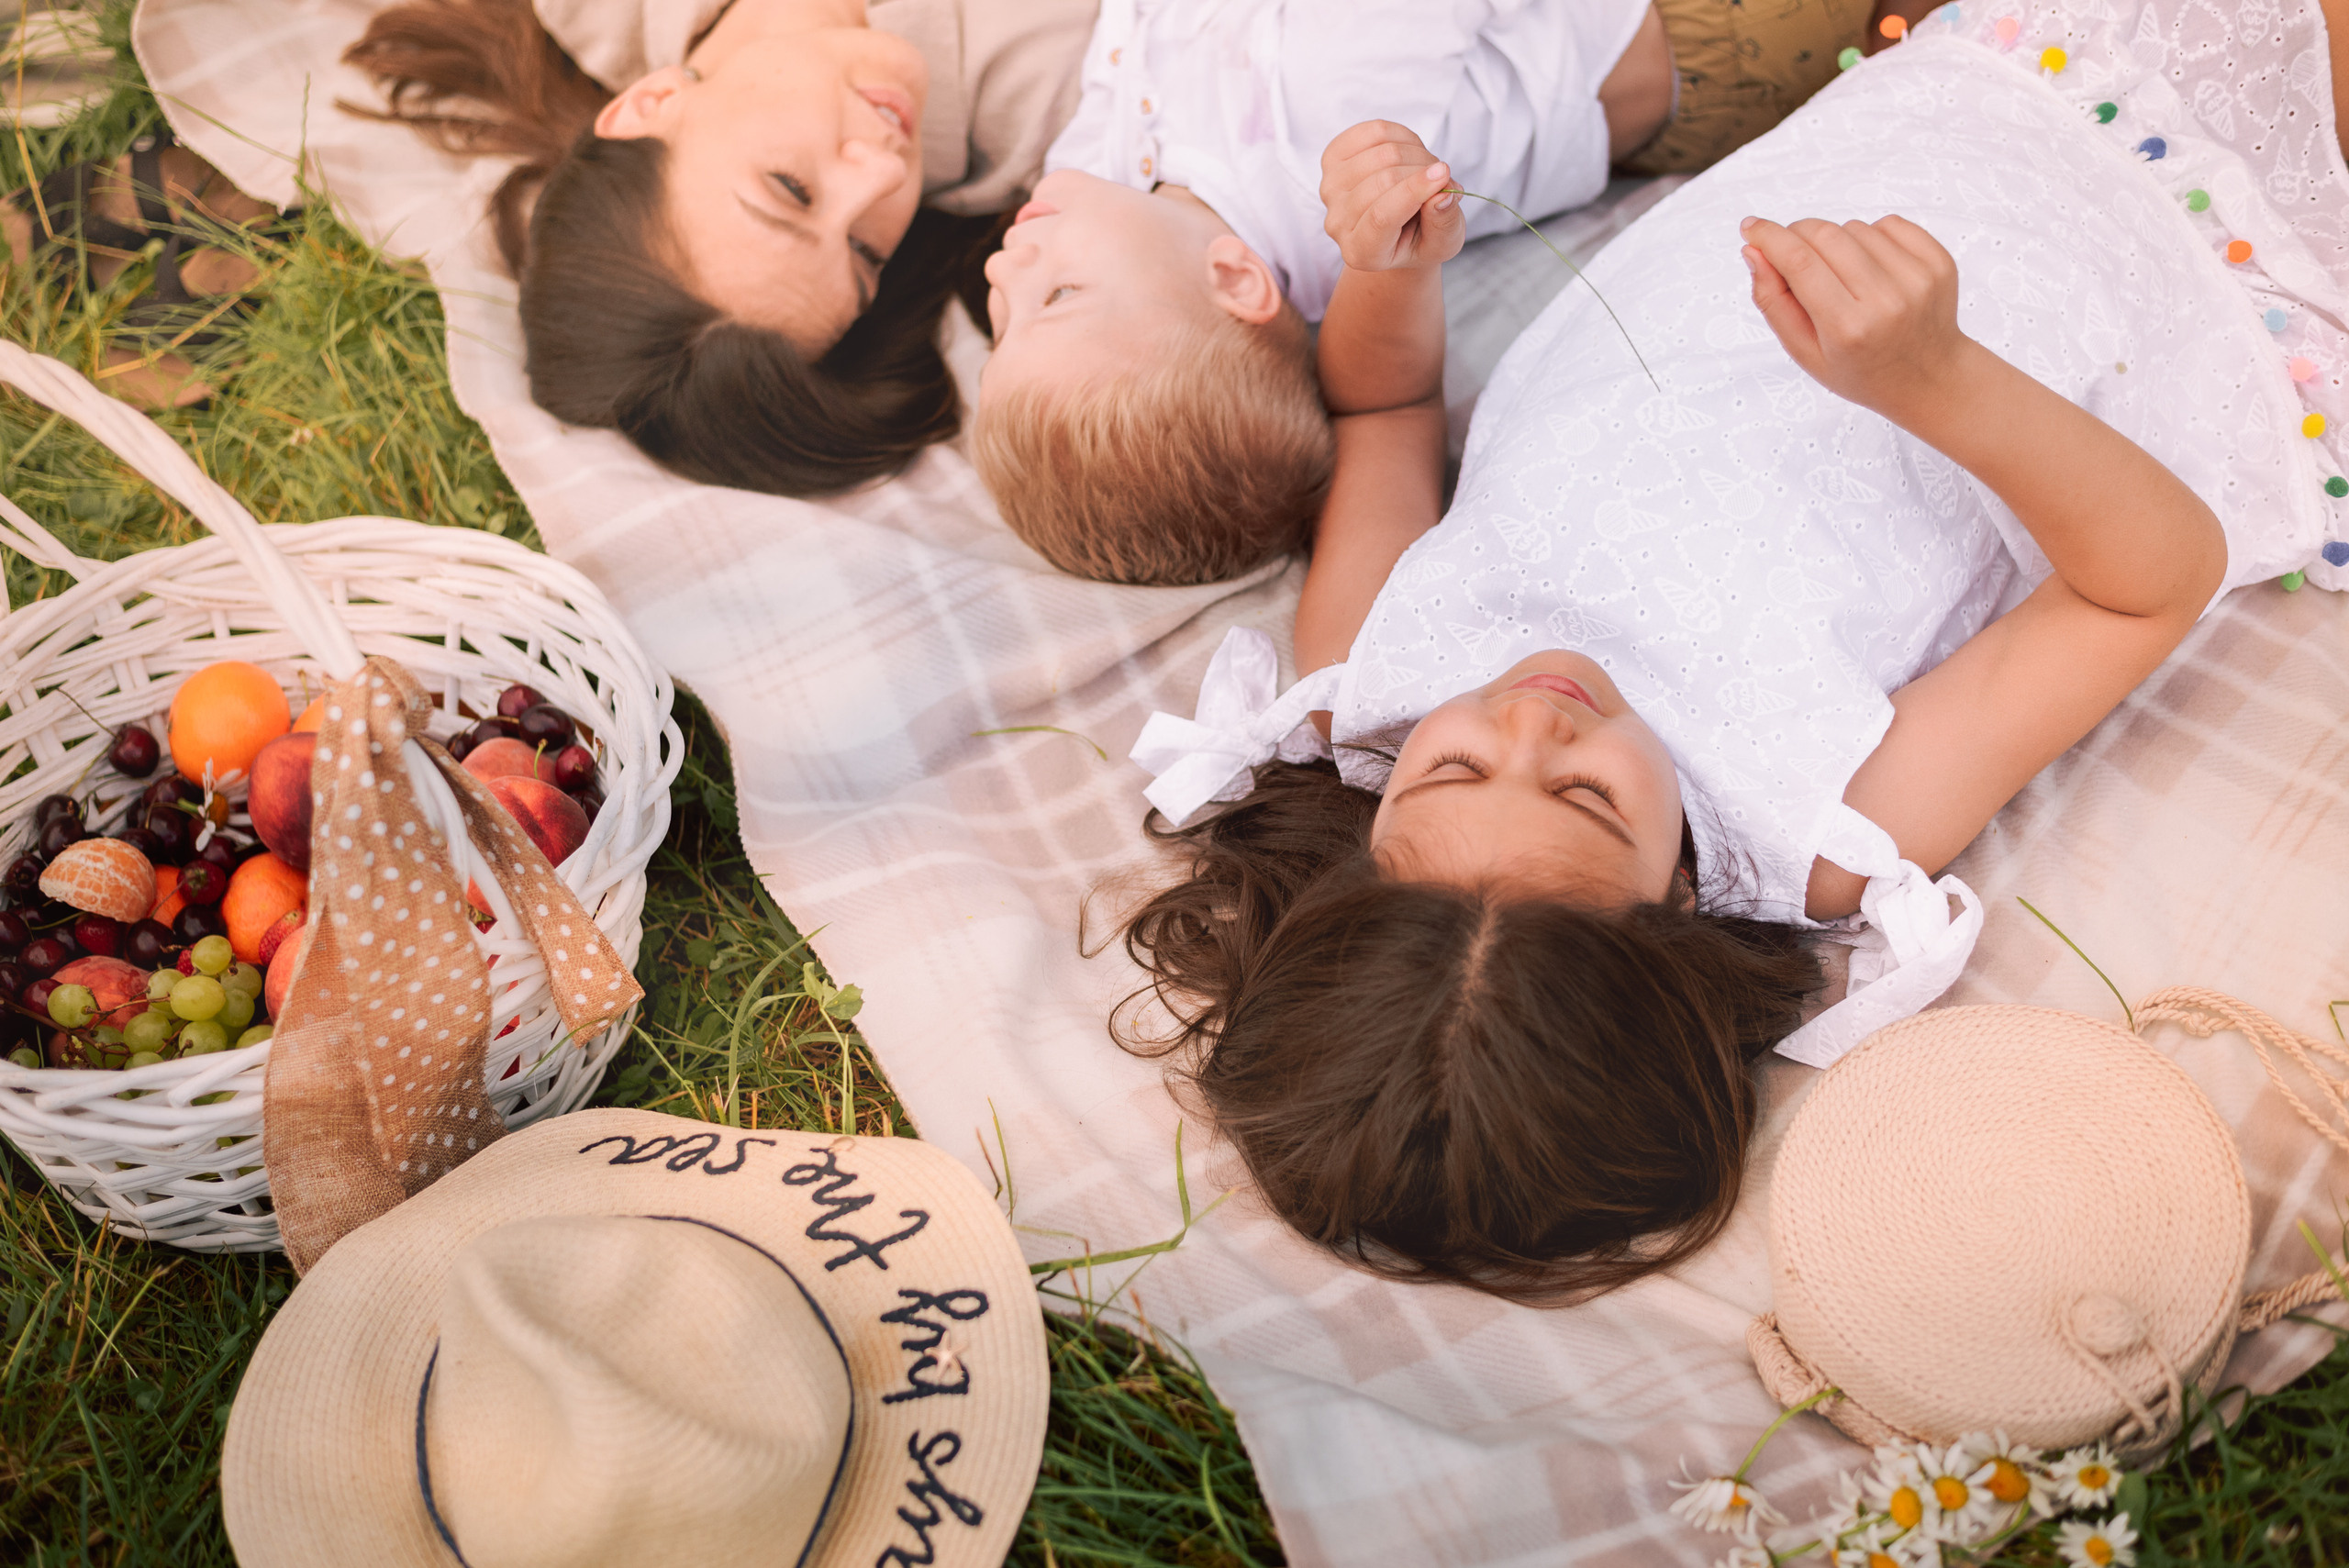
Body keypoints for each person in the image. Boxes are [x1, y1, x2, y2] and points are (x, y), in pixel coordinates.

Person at [1119, 0, 2349, 1303]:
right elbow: (2145, 588)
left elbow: (1384, 401)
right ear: (1683, 911)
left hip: (1932, 114)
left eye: (1453, 772)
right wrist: (1934, 379)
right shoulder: (1810, 828)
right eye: (1587, 797)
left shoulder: (1358, 690)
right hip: (2154, 239)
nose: (1531, 725)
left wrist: (1388, 267)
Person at [967, 0, 1934, 587]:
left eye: (999, 320)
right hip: (1717, 35)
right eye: (1051, 299)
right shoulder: (1334, 156)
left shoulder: (1097, 178)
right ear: (1233, 279)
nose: (1003, 271)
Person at [340, 0, 1096, 495]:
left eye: (790, 188)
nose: (884, 173)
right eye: (866, 254)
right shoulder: (1060, 99)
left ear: (651, 104)